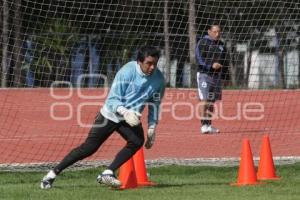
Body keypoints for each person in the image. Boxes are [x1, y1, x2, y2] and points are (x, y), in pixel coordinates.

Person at [40, 45, 165, 189]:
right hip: (110, 114)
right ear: (139, 61)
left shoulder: (159, 80)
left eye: (155, 64)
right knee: (88, 148)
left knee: (137, 141)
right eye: (148, 63)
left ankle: (108, 173)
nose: (152, 67)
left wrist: (152, 126)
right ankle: (51, 175)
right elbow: (112, 100)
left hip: (130, 119)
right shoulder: (126, 72)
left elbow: (155, 103)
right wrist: (125, 112)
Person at [195, 23, 229, 134]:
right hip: (204, 75)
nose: (217, 34)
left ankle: (209, 125)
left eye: (219, 32)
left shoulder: (222, 45)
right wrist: (210, 66)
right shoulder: (202, 42)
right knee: (204, 100)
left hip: (216, 77)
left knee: (211, 102)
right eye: (215, 31)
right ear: (209, 32)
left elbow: (225, 62)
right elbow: (199, 59)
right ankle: (203, 125)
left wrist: (224, 76)